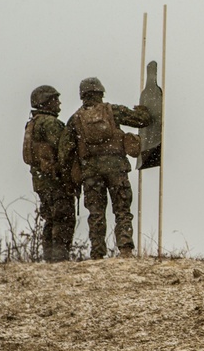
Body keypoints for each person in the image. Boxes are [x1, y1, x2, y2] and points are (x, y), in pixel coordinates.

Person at [58, 77, 152, 259]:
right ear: (101, 93)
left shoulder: (75, 119)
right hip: (116, 168)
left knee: (96, 213)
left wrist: (73, 171)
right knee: (122, 210)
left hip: (91, 173)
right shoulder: (112, 111)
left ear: (82, 95)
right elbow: (143, 120)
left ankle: (97, 253)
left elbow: (64, 152)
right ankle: (125, 249)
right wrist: (143, 110)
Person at [22, 85, 76, 262]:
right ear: (46, 102)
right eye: (55, 99)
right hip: (55, 180)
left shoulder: (32, 123)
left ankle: (49, 257)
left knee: (50, 219)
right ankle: (59, 259)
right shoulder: (51, 123)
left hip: (40, 181)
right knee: (63, 218)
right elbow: (64, 151)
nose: (59, 103)